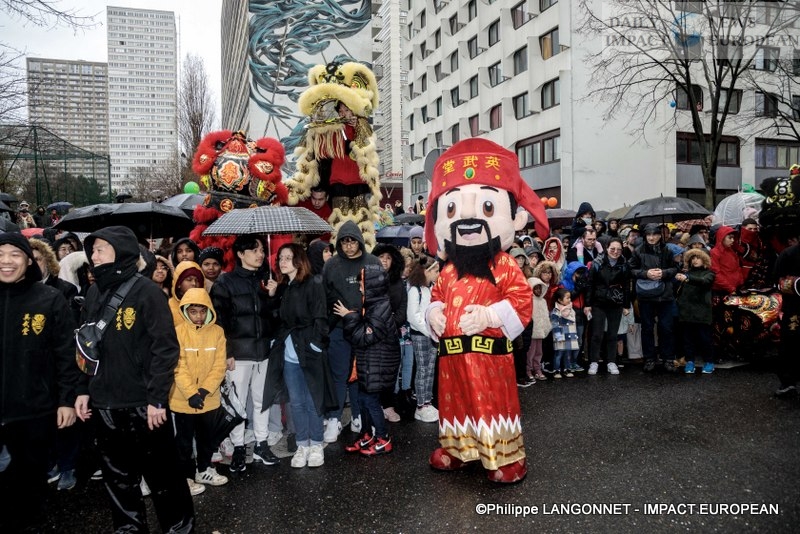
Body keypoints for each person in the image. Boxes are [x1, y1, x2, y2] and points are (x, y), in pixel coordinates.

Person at [423, 138, 549, 484]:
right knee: (455, 404)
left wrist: (490, 316)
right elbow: (436, 295)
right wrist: (434, 312)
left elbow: (521, 301)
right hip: (452, 359)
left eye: (487, 207)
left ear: (515, 218)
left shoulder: (504, 264)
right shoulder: (448, 269)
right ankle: (458, 449)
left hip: (489, 358)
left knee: (491, 406)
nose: (467, 220)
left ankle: (506, 457)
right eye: (452, 209)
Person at [73, 226, 194, 533]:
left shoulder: (147, 291)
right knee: (118, 479)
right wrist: (83, 390)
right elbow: (86, 345)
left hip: (144, 403)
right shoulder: (93, 292)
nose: (94, 255)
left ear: (122, 251)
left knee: (164, 477)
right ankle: (129, 529)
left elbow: (165, 349)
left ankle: (178, 528)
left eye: (101, 249)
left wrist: (157, 398)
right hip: (104, 403)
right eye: (93, 250)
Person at [0, 233, 80, 532]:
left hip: (34, 410)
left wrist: (66, 400)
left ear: (28, 260)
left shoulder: (49, 299)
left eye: (14, 254)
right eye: (0, 254)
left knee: (29, 487)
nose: (7, 261)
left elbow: (66, 354)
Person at [210, 234, 280, 472]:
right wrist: (227, 352)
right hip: (238, 354)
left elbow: (274, 318)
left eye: (261, 250)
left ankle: (261, 443)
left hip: (264, 351)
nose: (260, 254)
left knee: (262, 399)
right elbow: (219, 321)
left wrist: (272, 296)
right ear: (240, 254)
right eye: (254, 250)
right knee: (237, 402)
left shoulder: (267, 280)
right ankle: (238, 445)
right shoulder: (225, 282)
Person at [264, 243, 332, 468]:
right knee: (296, 402)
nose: (282, 262)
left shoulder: (312, 283)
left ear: (298, 260)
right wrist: (272, 296)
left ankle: (316, 444)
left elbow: (321, 316)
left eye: (287, 257)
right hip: (289, 354)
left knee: (313, 400)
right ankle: (302, 444)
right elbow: (277, 319)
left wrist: (316, 345)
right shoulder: (284, 287)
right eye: (280, 258)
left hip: (309, 351)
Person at [321, 220, 382, 442]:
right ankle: (334, 419)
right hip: (339, 328)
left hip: (365, 329)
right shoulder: (331, 265)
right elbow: (324, 295)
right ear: (339, 243)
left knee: (362, 375)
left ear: (359, 242)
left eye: (352, 242)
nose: (349, 246)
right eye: (344, 242)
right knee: (339, 375)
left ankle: (359, 416)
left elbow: (380, 293)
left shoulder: (373, 262)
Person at [169, 288, 229, 494]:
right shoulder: (178, 333)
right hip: (183, 399)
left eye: (203, 311)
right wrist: (191, 393)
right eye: (193, 312)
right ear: (185, 311)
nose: (199, 316)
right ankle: (185, 477)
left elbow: (219, 366)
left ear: (209, 310)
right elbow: (178, 366)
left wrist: (203, 391)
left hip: (208, 398)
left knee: (207, 438)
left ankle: (203, 470)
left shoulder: (217, 332)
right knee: (184, 441)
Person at [337, 265, 400, 456]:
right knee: (363, 399)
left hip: (377, 365)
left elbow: (364, 337)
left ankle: (383, 438)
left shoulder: (379, 309)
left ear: (371, 285)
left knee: (370, 401)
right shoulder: (373, 305)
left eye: (361, 284)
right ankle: (367, 435)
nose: (359, 288)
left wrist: (350, 317)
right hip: (370, 363)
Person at [629, 223, 678, 372]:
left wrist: (664, 273)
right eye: (649, 235)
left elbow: (675, 268)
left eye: (655, 234)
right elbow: (631, 269)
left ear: (659, 235)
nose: (652, 238)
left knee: (666, 328)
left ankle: (668, 358)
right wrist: (646, 274)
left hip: (665, 294)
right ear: (645, 236)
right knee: (647, 328)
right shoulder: (638, 251)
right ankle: (649, 358)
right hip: (646, 295)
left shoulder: (667, 250)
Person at [371, 243, 408, 422]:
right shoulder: (368, 279)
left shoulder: (398, 282)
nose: (384, 261)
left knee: (390, 370)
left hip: (392, 333)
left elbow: (402, 308)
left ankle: (388, 405)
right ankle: (374, 407)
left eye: (388, 258)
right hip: (372, 334)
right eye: (381, 257)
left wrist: (390, 322)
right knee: (374, 371)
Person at [585, 237, 631, 376]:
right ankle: (594, 361)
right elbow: (590, 284)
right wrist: (588, 304)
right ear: (606, 248)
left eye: (619, 249)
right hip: (598, 302)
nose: (615, 252)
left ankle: (611, 361)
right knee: (597, 334)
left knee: (613, 334)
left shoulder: (624, 264)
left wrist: (626, 305)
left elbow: (627, 287)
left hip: (616, 303)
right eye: (612, 249)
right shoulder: (597, 263)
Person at [406, 257, 440, 423]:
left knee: (430, 369)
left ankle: (428, 402)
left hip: (432, 334)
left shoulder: (432, 288)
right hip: (420, 334)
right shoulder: (415, 290)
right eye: (435, 271)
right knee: (422, 369)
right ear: (426, 271)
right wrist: (429, 330)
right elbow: (413, 316)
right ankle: (420, 406)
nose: (438, 274)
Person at [675, 249, 715, 374]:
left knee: (705, 339)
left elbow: (704, 282)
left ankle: (709, 362)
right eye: (693, 258)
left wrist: (687, 278)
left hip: (703, 312)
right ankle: (690, 361)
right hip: (686, 311)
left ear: (704, 259)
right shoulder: (686, 273)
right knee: (688, 339)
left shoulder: (709, 273)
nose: (695, 260)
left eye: (698, 257)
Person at [774, 236, 800, 397]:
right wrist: (796, 283)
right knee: (791, 343)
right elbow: (778, 281)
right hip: (795, 308)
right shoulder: (789, 254)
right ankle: (788, 382)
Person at [550, 288, 579, 379]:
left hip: (569, 334)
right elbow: (554, 324)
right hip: (560, 335)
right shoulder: (556, 311)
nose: (569, 299)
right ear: (559, 300)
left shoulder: (571, 309)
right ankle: (556, 370)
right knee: (559, 354)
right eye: (567, 298)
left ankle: (567, 369)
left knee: (568, 354)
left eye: (570, 298)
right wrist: (558, 335)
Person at [527, 277, 552, 381]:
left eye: (540, 288)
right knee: (530, 352)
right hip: (532, 331)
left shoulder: (543, 301)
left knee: (539, 351)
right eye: (536, 288)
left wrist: (547, 327)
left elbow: (545, 315)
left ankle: (537, 369)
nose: (538, 291)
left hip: (540, 330)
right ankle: (528, 369)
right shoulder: (529, 301)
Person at [169, 260, 205, 326]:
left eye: (197, 280)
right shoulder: (169, 307)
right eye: (189, 280)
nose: (194, 283)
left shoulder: (207, 304)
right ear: (178, 284)